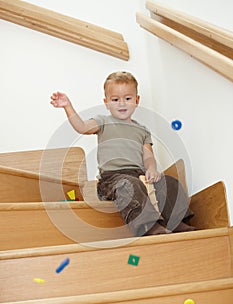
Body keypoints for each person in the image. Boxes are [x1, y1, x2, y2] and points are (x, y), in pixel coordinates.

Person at [50, 71, 195, 236]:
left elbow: (148, 156)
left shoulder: (142, 130)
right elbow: (82, 127)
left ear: (136, 100)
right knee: (129, 185)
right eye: (115, 99)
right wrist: (68, 106)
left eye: (127, 98)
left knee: (169, 182)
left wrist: (152, 170)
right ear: (106, 103)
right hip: (112, 179)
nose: (122, 104)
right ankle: (149, 227)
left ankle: (177, 222)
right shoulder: (102, 121)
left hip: (139, 176)